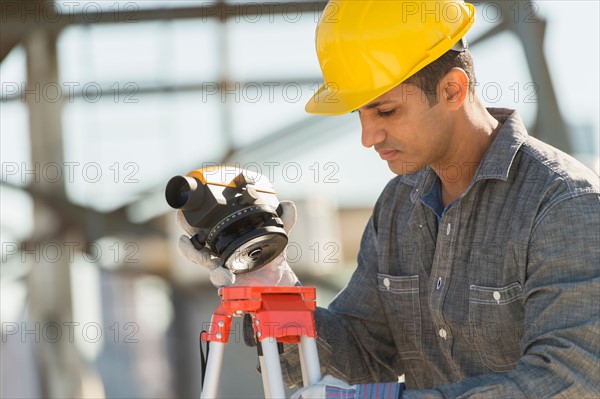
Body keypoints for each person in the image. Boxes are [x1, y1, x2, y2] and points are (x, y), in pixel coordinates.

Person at [178, 0, 600, 397]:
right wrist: (278, 296)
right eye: (359, 114)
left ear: (453, 90)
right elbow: (363, 352)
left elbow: (571, 378)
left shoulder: (563, 204)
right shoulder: (398, 206)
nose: (368, 138)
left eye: (385, 112)